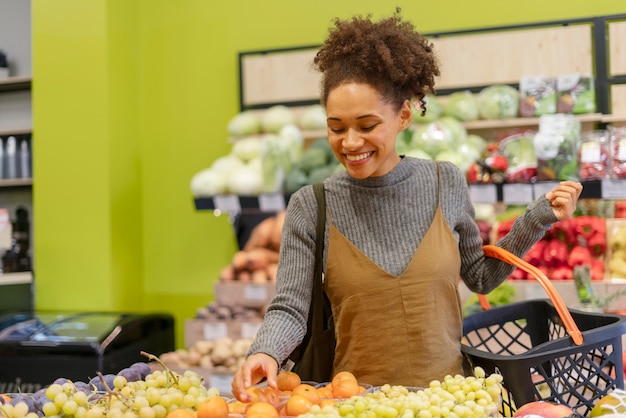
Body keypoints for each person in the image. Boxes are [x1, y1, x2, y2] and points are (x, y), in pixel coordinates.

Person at [231, 10, 582, 400]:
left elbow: (481, 276)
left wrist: (536, 218)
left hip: (448, 402)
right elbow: (290, 306)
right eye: (336, 127)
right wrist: (265, 350)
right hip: (355, 405)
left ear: (402, 115)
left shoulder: (443, 182)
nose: (350, 142)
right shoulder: (312, 205)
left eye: (366, 126)